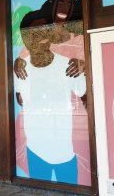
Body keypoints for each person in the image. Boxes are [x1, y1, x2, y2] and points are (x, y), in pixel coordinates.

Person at [14, 11, 86, 184]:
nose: (41, 36)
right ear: (26, 39)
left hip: (65, 153)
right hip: (35, 151)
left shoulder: (68, 65)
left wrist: (84, 66)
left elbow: (86, 96)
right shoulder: (21, 70)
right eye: (34, 32)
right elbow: (20, 99)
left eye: (45, 30)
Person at [14, 0, 85, 80]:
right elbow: (23, 57)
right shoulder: (40, 33)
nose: (64, 8)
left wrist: (84, 64)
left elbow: (92, 61)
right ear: (52, 5)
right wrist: (18, 62)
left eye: (69, 4)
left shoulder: (79, 38)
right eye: (60, 3)